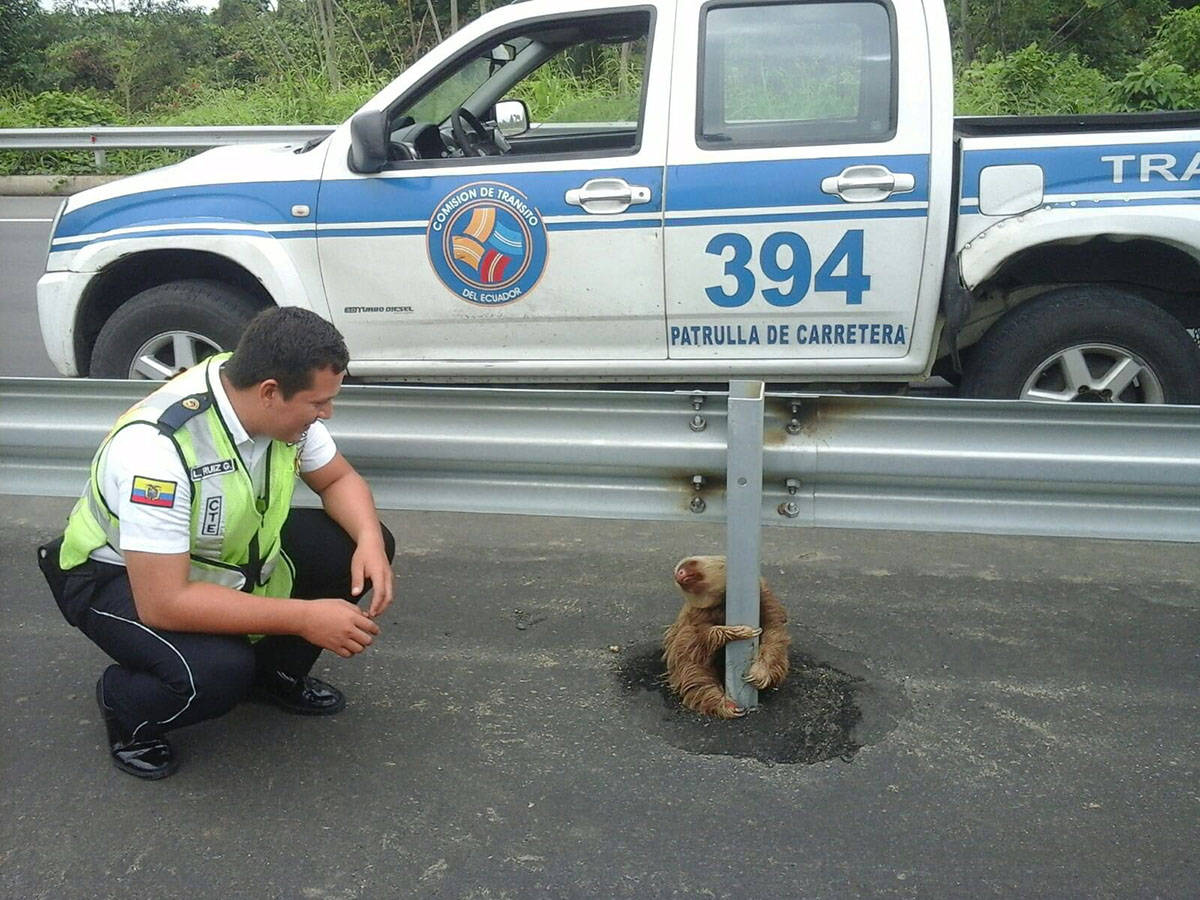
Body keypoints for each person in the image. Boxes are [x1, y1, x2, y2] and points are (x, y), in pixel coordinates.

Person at [36, 307, 395, 780]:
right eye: (318, 403)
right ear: (270, 392)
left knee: (354, 547)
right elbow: (164, 602)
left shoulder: (262, 393)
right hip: (116, 578)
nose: (326, 413)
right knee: (219, 670)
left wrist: (369, 539)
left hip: (215, 558)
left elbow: (338, 480)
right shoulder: (157, 452)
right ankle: (128, 708)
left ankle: (272, 675)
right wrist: (307, 618)